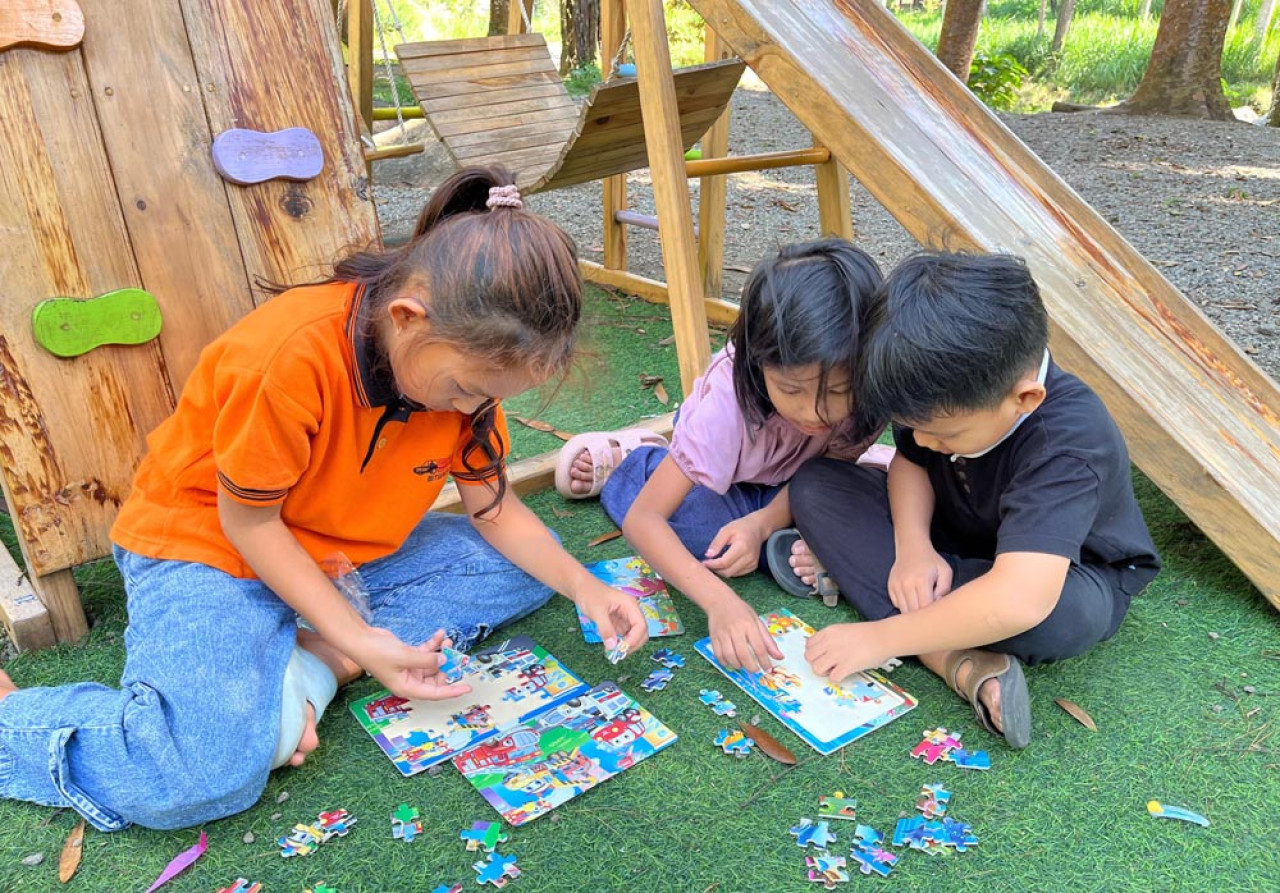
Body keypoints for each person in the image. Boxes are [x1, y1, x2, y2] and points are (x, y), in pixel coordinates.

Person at [0, 166, 648, 831]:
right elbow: (250, 524)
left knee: (526, 565)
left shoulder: (466, 372)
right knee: (199, 772)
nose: (471, 409)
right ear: (407, 318)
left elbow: (495, 510)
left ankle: (315, 661)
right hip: (211, 550)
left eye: (490, 397)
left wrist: (585, 587)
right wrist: (365, 636)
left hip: (337, 560)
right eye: (463, 389)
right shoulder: (290, 355)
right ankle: (10, 723)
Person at [796, 252, 1160, 749]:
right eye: (912, 427)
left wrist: (882, 639)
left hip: (1061, 575)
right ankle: (951, 655)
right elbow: (911, 463)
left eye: (944, 434)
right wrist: (911, 549)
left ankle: (883, 596)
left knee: (1061, 619)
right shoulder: (942, 397)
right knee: (817, 485)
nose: (923, 441)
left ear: (1024, 400)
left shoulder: (1069, 442)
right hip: (952, 540)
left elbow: (1022, 598)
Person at [554, 239, 890, 672]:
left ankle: (776, 532)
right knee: (702, 533)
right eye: (791, 389)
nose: (814, 413)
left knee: (860, 507)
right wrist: (720, 603)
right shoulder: (727, 407)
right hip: (723, 471)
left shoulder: (870, 392)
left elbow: (828, 473)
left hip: (789, 481)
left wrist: (761, 523)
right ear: (757, 362)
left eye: (838, 392)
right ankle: (639, 462)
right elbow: (644, 520)